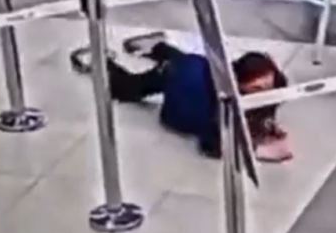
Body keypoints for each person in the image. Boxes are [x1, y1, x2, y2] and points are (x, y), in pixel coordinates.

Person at [71, 33, 292, 163]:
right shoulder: (220, 100)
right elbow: (212, 145)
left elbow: (263, 103)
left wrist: (266, 122)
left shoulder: (276, 83)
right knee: (128, 88)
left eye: (268, 85)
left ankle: (157, 47)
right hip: (180, 85)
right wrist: (261, 152)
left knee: (187, 62)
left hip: (193, 67)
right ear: (240, 84)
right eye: (257, 87)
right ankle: (101, 62)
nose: (266, 90)